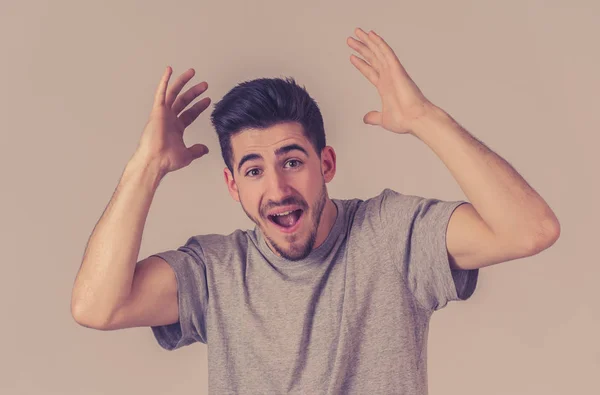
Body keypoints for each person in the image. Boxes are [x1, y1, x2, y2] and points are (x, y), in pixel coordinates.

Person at [71, 27, 560, 394]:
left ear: (325, 163)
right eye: (254, 170)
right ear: (232, 186)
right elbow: (97, 306)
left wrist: (424, 119)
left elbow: (530, 230)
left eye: (292, 160)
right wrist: (146, 165)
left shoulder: (393, 236)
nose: (278, 187)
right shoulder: (214, 273)